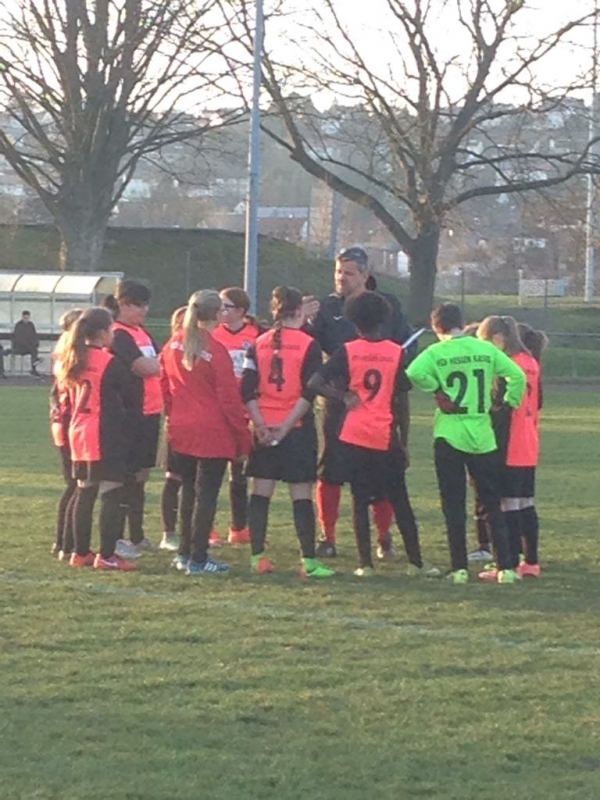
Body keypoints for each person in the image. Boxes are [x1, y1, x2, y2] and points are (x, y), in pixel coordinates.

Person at [308, 291, 440, 577]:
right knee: (400, 499)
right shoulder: (396, 352)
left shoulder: (347, 351)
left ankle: (364, 564)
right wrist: (404, 440)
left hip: (354, 435)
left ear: (353, 320)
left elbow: (315, 382)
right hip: (384, 433)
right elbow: (401, 400)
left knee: (359, 500)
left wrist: (342, 396)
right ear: (384, 318)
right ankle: (416, 562)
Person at [406, 303, 526, 585]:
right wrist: (508, 403)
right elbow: (517, 376)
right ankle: (506, 568)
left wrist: (437, 388)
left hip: (449, 432)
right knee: (491, 502)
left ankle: (459, 568)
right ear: (462, 323)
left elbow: (413, 372)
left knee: (453, 503)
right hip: (482, 433)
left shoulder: (436, 352)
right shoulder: (485, 349)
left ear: (436, 327)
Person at [306, 246, 414, 559]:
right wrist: (303, 321)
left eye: (349, 273)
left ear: (365, 275)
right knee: (330, 470)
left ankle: (384, 538)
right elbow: (310, 350)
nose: (341, 278)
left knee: (381, 473)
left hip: (380, 405)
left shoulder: (387, 304)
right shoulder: (326, 308)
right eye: (338, 272)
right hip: (340, 405)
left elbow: (408, 345)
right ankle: (328, 537)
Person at [241, 286, 335, 578]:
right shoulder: (309, 344)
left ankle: (257, 557)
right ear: (298, 311)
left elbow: (246, 389)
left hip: (264, 428)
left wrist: (260, 424)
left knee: (260, 492)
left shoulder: (258, 343)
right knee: (301, 494)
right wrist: (286, 425)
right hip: (296, 429)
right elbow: (309, 391)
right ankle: (308, 561)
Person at [159, 290, 251, 576]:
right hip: (212, 431)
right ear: (218, 314)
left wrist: (173, 416)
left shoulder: (174, 343)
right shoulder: (216, 351)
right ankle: (199, 558)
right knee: (206, 495)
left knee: (188, 491)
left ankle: (185, 554)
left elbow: (164, 386)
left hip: (181, 427)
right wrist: (242, 438)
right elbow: (229, 400)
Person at [58, 307, 138, 571]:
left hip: (79, 431)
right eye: (111, 329)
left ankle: (79, 552)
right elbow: (129, 396)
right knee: (111, 491)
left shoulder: (73, 358)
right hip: (104, 432)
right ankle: (107, 555)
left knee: (84, 490)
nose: (113, 334)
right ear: (103, 332)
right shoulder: (108, 361)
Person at [477, 317, 546, 580]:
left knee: (506, 504)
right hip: (529, 440)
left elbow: (500, 409)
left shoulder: (507, 365)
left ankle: (509, 562)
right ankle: (531, 561)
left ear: (498, 339)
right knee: (525, 502)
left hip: (509, 442)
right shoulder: (531, 362)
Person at [104, 280, 162, 558]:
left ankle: (136, 535)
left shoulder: (143, 333)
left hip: (150, 412)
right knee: (124, 477)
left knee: (141, 476)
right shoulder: (119, 334)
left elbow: (156, 363)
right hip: (129, 415)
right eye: (138, 305)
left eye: (146, 305)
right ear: (123, 304)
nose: (144, 310)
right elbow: (144, 367)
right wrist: (163, 365)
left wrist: (159, 365)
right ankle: (115, 538)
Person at [211, 287, 264, 546]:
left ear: (241, 311)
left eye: (226, 306)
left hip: (247, 411)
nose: (221, 311)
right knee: (212, 472)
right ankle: (208, 527)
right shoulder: (213, 334)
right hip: (219, 411)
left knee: (241, 472)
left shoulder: (256, 335)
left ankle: (239, 527)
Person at [49, 308, 83, 559]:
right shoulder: (73, 355)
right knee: (76, 485)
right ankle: (66, 542)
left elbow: (54, 393)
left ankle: (63, 542)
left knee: (74, 484)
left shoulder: (63, 353)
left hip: (62, 422)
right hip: (72, 422)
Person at [158, 306, 187, 552]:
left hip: (194, 422)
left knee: (193, 480)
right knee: (174, 477)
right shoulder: (171, 350)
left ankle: (194, 530)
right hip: (178, 422)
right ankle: (169, 532)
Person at [12, 310, 41, 375]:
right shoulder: (18, 325)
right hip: (20, 347)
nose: (26, 320)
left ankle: (34, 368)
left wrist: (36, 343)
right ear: (22, 317)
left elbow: (34, 335)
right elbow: (17, 338)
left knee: (34, 350)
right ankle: (35, 362)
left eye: (27, 318)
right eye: (25, 318)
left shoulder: (31, 325)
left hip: (29, 347)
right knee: (33, 350)